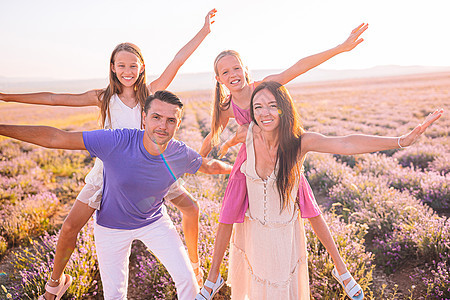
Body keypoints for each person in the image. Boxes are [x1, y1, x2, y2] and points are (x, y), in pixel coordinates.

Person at [0, 9, 216, 299]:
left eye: (133, 66)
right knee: (68, 228)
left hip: (152, 168)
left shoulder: (150, 94)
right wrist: (8, 96)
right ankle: (55, 284)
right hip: (108, 174)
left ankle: (194, 265)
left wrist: (204, 31)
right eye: (121, 66)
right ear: (113, 67)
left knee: (190, 207)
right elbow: (54, 99)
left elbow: (178, 60)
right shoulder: (103, 97)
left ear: (142, 67)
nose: (128, 72)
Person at [198, 81, 443, 299]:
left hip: (284, 235)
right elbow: (226, 137)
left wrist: (402, 141)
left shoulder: (300, 141)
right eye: (258, 107)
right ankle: (212, 280)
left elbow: (346, 142)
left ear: (284, 108)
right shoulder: (247, 133)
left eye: (272, 105)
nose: (265, 113)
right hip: (253, 233)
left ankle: (342, 271)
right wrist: (220, 149)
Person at [0, 90, 233, 299]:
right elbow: (56, 138)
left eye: (170, 120)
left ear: (178, 124)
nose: (163, 126)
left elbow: (210, 166)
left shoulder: (180, 153)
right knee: (115, 295)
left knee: (188, 282)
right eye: (156, 117)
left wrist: (237, 168)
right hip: (111, 228)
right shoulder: (117, 140)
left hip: (154, 222)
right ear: (144, 118)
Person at [196, 24, 369, 299]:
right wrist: (195, 159)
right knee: (227, 214)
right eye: (225, 72)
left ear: (245, 70)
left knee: (310, 209)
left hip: (283, 156)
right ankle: (213, 277)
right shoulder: (226, 107)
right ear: (218, 79)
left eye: (236, 68)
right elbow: (212, 135)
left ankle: (342, 270)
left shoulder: (262, 89)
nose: (233, 75)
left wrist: (340, 48)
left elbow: (298, 67)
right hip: (251, 162)